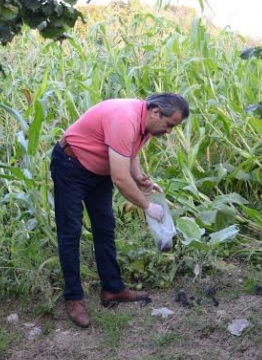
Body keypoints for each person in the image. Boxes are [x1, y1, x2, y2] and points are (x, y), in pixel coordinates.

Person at [49, 93, 190, 328]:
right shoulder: (125, 118)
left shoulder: (145, 123)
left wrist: (140, 178)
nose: (169, 132)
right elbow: (120, 178)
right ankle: (74, 298)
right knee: (70, 232)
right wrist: (146, 206)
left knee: (105, 227)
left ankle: (113, 289)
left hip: (98, 170)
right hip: (71, 165)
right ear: (156, 112)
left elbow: (128, 151)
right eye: (169, 125)